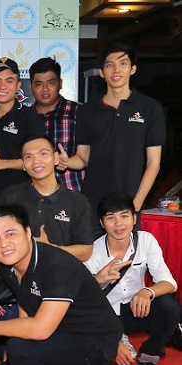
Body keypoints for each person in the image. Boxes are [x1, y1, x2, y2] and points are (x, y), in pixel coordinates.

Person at [0, 204, 122, 365]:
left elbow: (40, 329)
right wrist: (19, 336)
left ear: (28, 232)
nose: (3, 244)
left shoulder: (57, 266)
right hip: (58, 336)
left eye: (10, 234)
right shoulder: (8, 265)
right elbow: (24, 299)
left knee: (19, 349)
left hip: (93, 342)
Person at [59, 43, 165, 232]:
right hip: (93, 205)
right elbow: (83, 158)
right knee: (90, 251)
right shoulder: (87, 110)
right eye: (110, 65)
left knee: (128, 252)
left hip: (129, 205)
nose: (116, 70)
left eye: (123, 63)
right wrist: (66, 162)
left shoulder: (150, 108)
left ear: (133, 69)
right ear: (101, 72)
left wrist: (136, 204)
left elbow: (153, 163)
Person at [84, 193, 179, 365]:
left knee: (169, 307)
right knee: (93, 357)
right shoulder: (93, 251)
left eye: (124, 216)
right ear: (102, 223)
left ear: (134, 218)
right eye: (110, 217)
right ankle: (117, 338)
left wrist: (147, 291)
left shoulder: (145, 240)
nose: (118, 223)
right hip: (105, 317)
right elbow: (83, 299)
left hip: (137, 310)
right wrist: (98, 279)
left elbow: (169, 282)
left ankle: (149, 358)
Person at [0, 136, 94, 262]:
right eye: (28, 157)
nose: (36, 161)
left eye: (43, 153)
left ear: (56, 158)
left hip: (62, 271)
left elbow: (86, 251)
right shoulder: (10, 197)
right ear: (23, 165)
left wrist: (50, 249)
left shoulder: (78, 202)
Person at [0, 58, 45, 215]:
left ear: (18, 85)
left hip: (19, 199)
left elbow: (39, 161)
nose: (2, 86)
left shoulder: (30, 116)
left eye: (9, 81)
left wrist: (2, 164)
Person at [28, 58, 83, 192]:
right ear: (31, 87)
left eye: (51, 83)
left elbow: (88, 156)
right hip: (33, 195)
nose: (45, 89)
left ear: (60, 83)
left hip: (71, 192)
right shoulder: (24, 117)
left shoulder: (79, 112)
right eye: (39, 84)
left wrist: (67, 161)